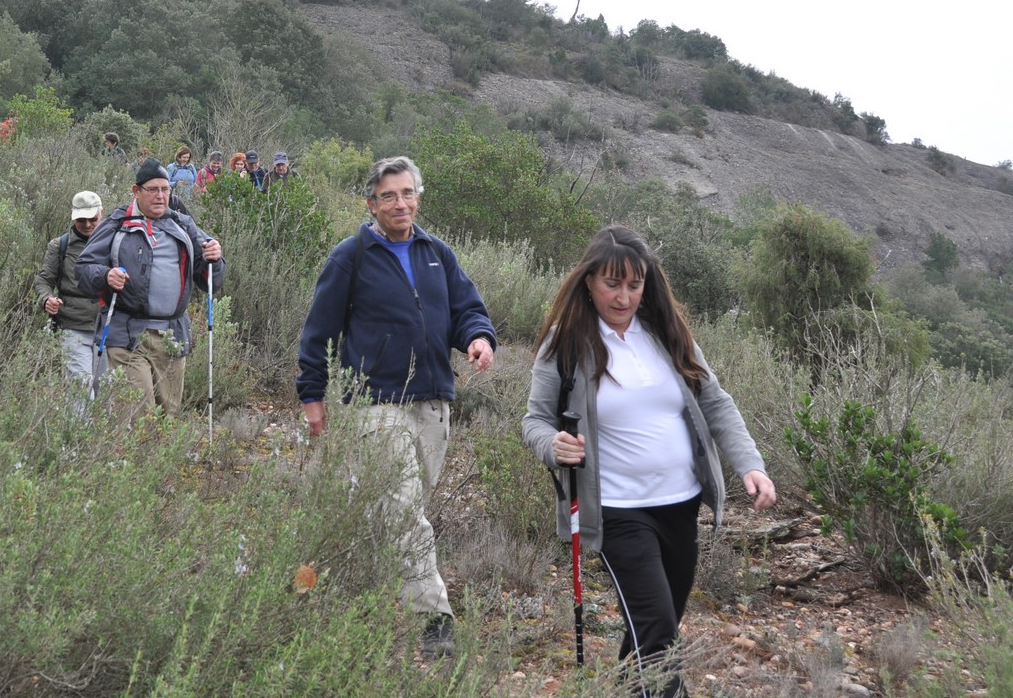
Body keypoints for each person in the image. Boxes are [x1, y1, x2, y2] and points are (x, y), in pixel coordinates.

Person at [522, 225, 776, 698]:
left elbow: (715, 402)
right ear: (589, 281)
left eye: (634, 285)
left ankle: (627, 690)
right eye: (611, 284)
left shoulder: (666, 334)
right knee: (657, 629)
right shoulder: (566, 343)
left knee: (655, 627)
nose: (623, 297)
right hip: (617, 511)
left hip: (680, 505)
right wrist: (552, 444)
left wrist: (751, 465)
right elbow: (534, 420)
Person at [295, 155, 497, 658]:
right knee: (404, 510)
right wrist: (312, 396)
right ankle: (434, 621)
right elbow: (318, 333)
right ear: (371, 203)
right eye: (388, 196)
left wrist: (478, 338)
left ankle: (337, 573)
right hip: (373, 402)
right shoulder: (350, 257)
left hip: (432, 399)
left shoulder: (437, 253)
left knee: (399, 508)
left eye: (407, 193)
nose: (400, 203)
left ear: (418, 198)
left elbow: (467, 309)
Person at [77, 159, 225, 420]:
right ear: (136, 191)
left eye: (165, 189)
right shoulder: (117, 223)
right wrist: (106, 275)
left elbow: (210, 279)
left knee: (168, 416)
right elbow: (84, 269)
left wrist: (215, 258)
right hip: (127, 335)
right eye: (153, 189)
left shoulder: (183, 224)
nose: (160, 196)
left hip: (172, 335)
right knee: (136, 414)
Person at [33, 191, 107, 401]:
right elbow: (44, 280)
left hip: (108, 330)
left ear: (101, 213)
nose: (87, 224)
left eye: (92, 218)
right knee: (80, 390)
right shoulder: (60, 246)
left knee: (107, 392)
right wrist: (47, 299)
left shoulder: (115, 242)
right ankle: (78, 424)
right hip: (73, 328)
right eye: (81, 220)